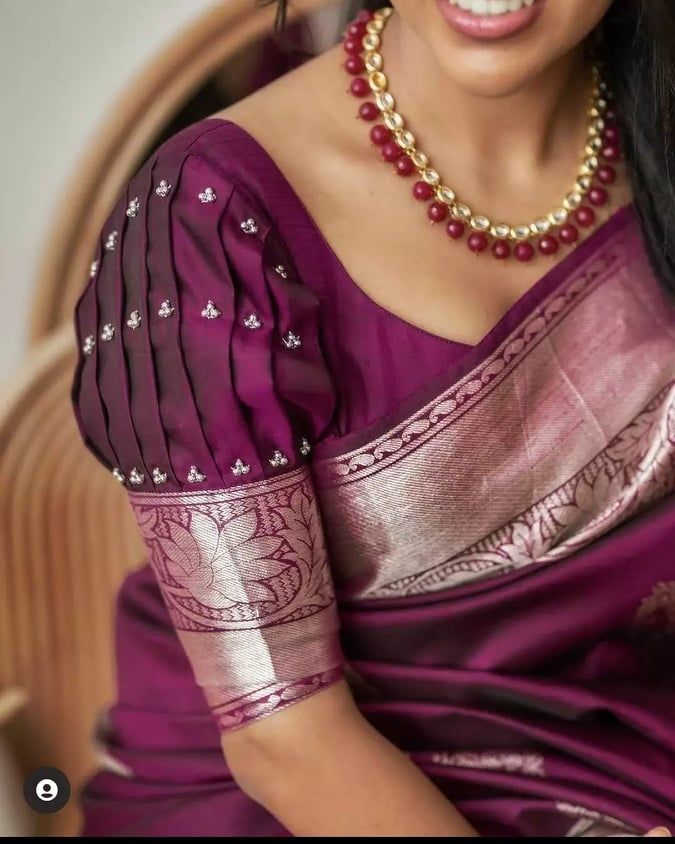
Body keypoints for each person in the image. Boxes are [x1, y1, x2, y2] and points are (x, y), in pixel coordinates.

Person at [70, 0, 675, 836]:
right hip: (313, 791)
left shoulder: (655, 124)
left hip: (637, 751)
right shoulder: (211, 214)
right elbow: (285, 740)